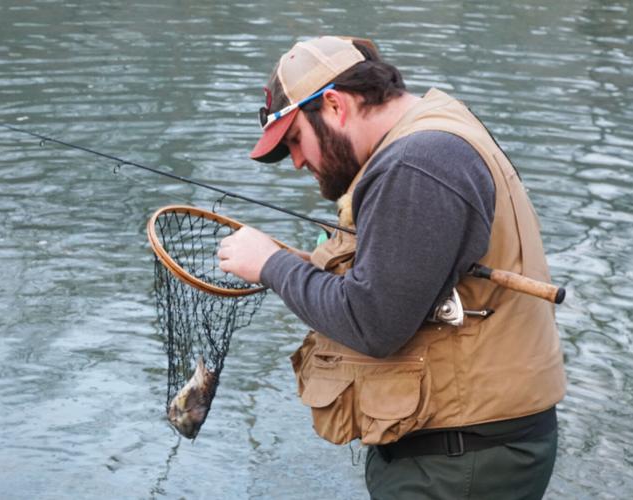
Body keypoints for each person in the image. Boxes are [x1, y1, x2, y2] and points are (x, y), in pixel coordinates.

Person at [217, 36, 567, 499]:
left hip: (459, 461)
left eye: (296, 139)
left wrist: (272, 265)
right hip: (470, 448)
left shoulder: (417, 164)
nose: (297, 161)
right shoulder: (436, 131)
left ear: (335, 105)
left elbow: (374, 321)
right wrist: (308, 266)